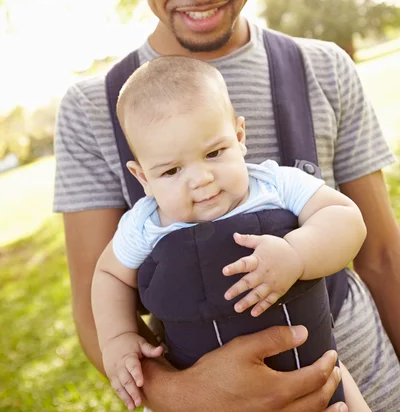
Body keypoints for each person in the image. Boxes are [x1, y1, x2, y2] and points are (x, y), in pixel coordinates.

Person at [54, 0, 400, 412]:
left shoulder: (322, 68)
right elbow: (101, 297)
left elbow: (382, 256)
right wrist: (189, 395)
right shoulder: (94, 107)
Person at [91, 55, 370, 411]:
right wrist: (117, 337)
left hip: (315, 374)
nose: (200, 179)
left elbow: (346, 217)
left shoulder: (274, 185)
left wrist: (297, 253)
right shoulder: (145, 224)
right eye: (172, 170)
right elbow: (109, 274)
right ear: (143, 177)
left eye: (214, 152)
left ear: (239, 137)